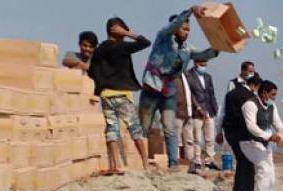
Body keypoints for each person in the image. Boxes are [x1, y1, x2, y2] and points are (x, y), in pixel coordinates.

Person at [139, 6, 219, 170]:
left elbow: (204, 55)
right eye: (183, 28)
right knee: (144, 127)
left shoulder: (187, 49)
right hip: (151, 88)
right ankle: (142, 163)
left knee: (170, 129)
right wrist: (190, 11)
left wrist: (220, 46)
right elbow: (174, 25)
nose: (186, 32)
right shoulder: (163, 38)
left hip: (168, 92)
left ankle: (173, 164)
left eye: (188, 29)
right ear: (175, 28)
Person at [88, 18, 151, 175]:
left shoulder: (98, 50)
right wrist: (128, 34)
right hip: (122, 94)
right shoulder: (120, 47)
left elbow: (91, 72)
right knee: (134, 128)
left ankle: (116, 165)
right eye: (122, 30)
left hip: (105, 95)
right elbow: (145, 42)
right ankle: (145, 164)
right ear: (115, 29)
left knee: (112, 129)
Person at [240, 80, 283, 191]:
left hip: (265, 144)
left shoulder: (271, 106)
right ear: (264, 93)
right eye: (272, 94)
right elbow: (251, 127)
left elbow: (278, 124)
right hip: (249, 142)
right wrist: (268, 136)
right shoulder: (250, 105)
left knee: (271, 173)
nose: (274, 97)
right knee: (263, 169)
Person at [223, 75, 262, 191]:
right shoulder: (251, 98)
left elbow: (222, 113)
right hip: (243, 134)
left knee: (242, 162)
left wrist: (219, 131)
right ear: (254, 86)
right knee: (249, 164)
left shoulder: (230, 94)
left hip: (230, 132)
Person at [186, 59, 220, 174]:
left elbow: (211, 94)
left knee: (210, 137)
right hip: (196, 112)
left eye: (205, 65)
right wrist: (199, 108)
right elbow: (190, 95)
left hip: (209, 110)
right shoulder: (188, 76)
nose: (204, 67)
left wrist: (215, 109)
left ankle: (209, 160)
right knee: (197, 138)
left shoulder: (208, 77)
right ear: (196, 63)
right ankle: (197, 160)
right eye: (202, 65)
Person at [175, 71, 200, 165]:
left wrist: (198, 107)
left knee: (189, 138)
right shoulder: (173, 77)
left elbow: (190, 94)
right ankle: (175, 159)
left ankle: (189, 159)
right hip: (178, 112)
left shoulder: (187, 76)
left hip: (189, 112)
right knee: (176, 138)